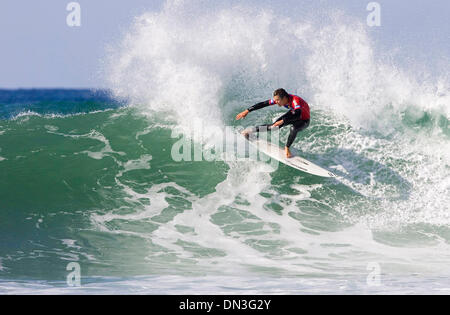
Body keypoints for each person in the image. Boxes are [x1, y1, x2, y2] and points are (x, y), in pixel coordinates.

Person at [235, 88, 310, 158]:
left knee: (293, 128)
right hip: (293, 113)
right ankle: (250, 131)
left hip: (303, 119)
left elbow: (298, 114)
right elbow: (264, 104)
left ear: (284, 98)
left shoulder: (295, 100)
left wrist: (282, 121)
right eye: (275, 100)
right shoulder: (280, 99)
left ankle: (287, 147)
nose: (276, 102)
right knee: (274, 126)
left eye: (278, 100)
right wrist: (247, 111)